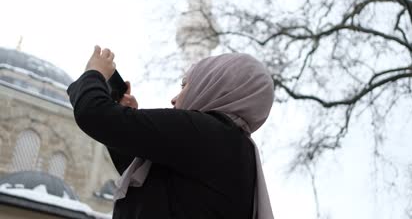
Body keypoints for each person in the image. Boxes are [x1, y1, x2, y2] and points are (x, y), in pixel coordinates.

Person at [67, 46, 275, 219]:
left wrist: (94, 73)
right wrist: (126, 121)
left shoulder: (202, 132)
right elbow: (154, 186)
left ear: (215, 85)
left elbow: (93, 113)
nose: (174, 99)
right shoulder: (236, 148)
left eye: (184, 86)